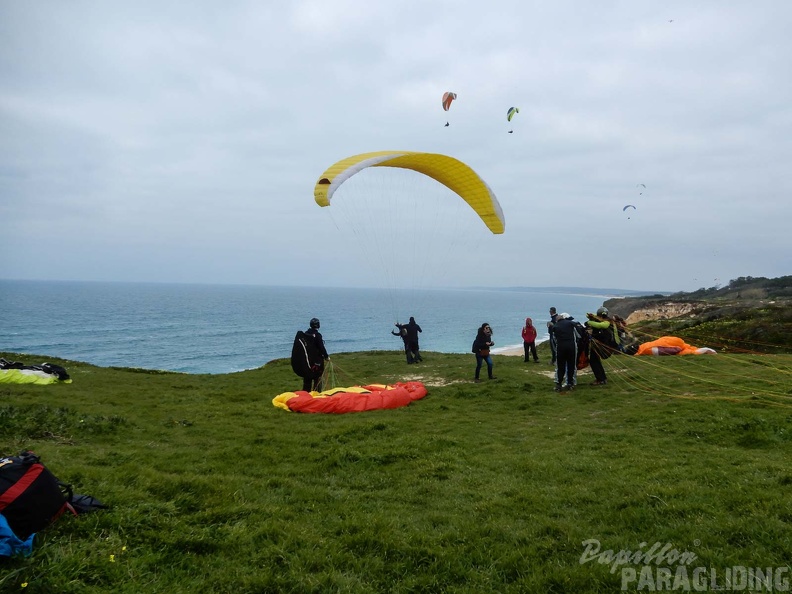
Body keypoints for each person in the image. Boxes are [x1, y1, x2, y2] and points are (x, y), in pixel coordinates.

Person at [584, 307, 621, 386]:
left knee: (594, 361)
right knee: (595, 360)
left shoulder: (607, 322)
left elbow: (602, 325)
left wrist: (589, 322)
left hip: (605, 346)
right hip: (604, 345)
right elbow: (589, 315)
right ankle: (602, 378)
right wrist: (592, 316)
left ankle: (601, 379)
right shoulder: (607, 320)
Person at [552, 313, 581, 391]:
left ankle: (559, 384)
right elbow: (578, 334)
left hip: (561, 347)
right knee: (571, 365)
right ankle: (570, 383)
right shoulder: (570, 323)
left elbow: (554, 338)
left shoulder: (555, 326)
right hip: (571, 347)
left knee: (560, 366)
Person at [301, 317, 330, 391]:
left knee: (307, 379)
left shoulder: (305, 334)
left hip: (307, 360)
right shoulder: (317, 335)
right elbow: (321, 347)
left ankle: (305, 395)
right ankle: (317, 395)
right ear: (318, 325)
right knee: (318, 378)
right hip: (317, 361)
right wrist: (326, 356)